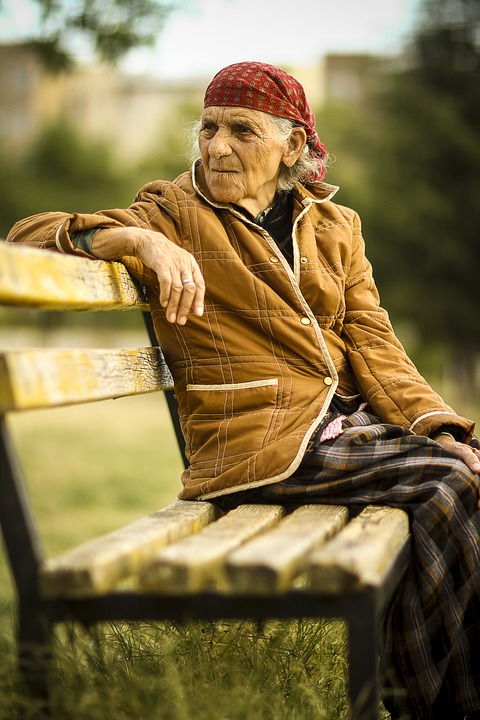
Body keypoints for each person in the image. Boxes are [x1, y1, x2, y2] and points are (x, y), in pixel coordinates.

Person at [6, 61, 480, 720]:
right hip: (260, 447)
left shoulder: (337, 227)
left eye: (241, 130)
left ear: (292, 147)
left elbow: (376, 345)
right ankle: (434, 705)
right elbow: (28, 238)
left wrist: (441, 426)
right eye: (208, 128)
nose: (217, 146)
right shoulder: (177, 212)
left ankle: (427, 691)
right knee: (446, 487)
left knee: (460, 468)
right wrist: (136, 238)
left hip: (347, 431)